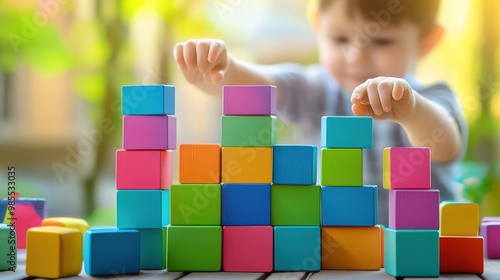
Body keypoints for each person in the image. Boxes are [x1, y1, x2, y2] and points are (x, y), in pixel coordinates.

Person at [172, 0, 467, 225]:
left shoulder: (430, 99)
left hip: (420, 253)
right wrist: (222, 70)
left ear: (427, 42)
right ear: (317, 26)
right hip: (330, 252)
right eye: (340, 39)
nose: (356, 56)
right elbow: (263, 85)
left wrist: (412, 111)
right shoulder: (314, 89)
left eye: (381, 41)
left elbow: (444, 146)